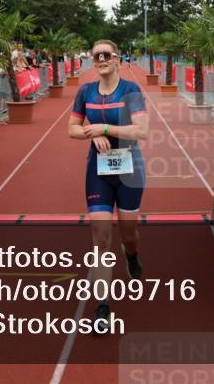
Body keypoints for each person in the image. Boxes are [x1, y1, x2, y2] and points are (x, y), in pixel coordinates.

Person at [68, 39, 149, 334]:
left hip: (130, 170)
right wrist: (91, 135)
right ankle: (103, 307)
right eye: (96, 56)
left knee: (128, 234)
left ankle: (132, 254)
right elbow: (72, 128)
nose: (101, 59)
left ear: (117, 59)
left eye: (106, 55)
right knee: (101, 238)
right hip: (98, 170)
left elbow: (142, 130)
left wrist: (104, 128)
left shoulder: (130, 90)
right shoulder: (85, 92)